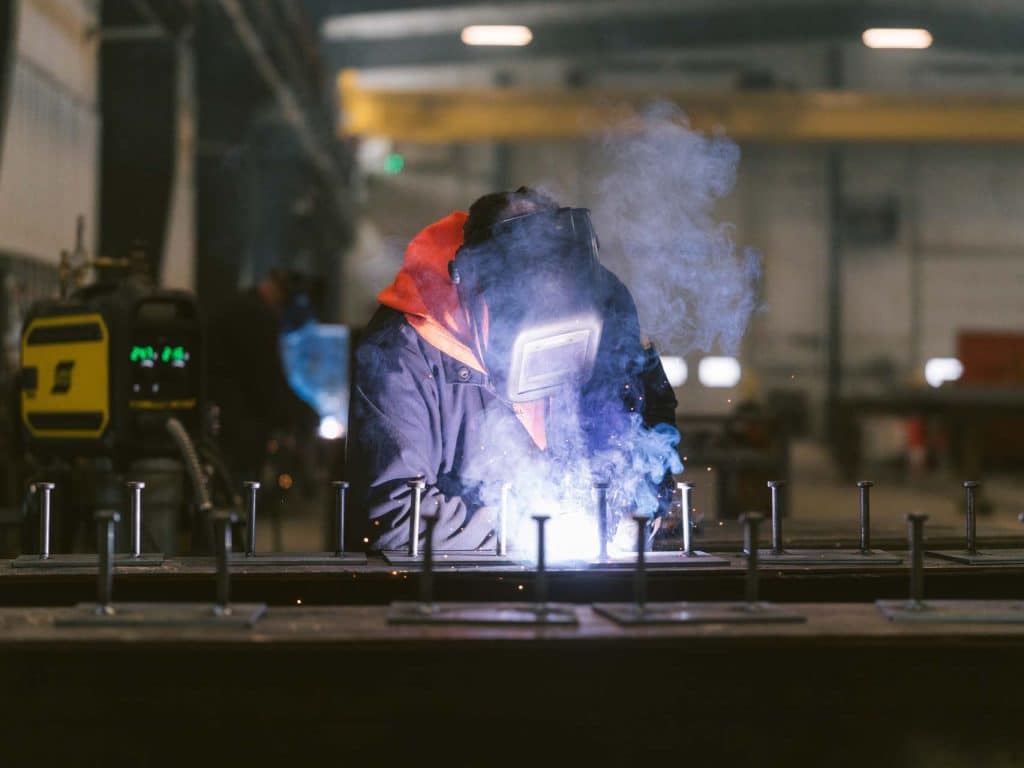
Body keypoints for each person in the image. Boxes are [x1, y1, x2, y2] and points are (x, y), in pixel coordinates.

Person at [349, 188, 678, 552]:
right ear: (472, 288)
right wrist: (528, 530)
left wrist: (637, 508)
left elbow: (650, 421)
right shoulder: (404, 351)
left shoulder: (605, 306)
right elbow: (395, 518)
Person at [207, 268, 319, 483]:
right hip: (237, 428)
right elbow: (267, 382)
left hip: (227, 420)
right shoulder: (256, 316)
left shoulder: (241, 308)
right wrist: (301, 414)